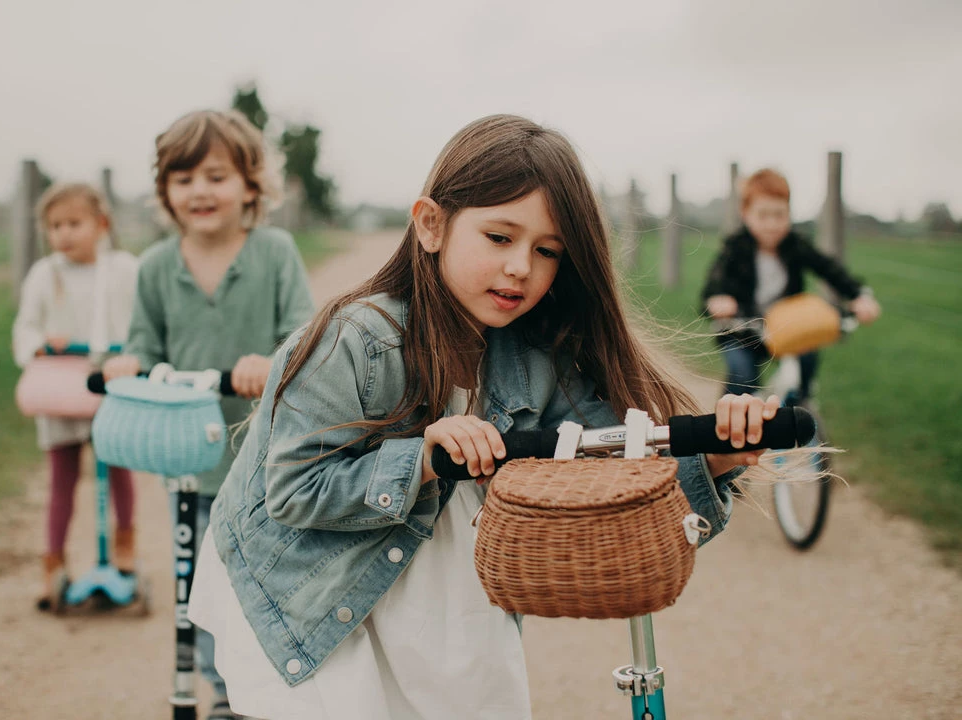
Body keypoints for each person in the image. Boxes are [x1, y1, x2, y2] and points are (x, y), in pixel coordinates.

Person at [187, 114, 777, 720]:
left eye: (547, 251)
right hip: (313, 595)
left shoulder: (541, 355)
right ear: (431, 225)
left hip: (445, 608)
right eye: (500, 238)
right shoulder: (357, 340)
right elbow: (293, 490)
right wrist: (418, 457)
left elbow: (611, 472)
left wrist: (714, 458)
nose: (522, 266)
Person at [102, 109, 315, 719]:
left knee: (264, 580)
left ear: (250, 185)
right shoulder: (154, 267)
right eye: (184, 177)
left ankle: (269, 687)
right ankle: (223, 694)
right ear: (165, 190)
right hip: (190, 463)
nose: (200, 190)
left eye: (216, 176)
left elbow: (303, 339)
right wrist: (128, 363)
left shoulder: (274, 253)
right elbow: (144, 345)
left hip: (264, 462)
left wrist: (269, 362)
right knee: (196, 586)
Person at [12, 182, 140, 611]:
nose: (64, 233)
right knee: (61, 478)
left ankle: (125, 544)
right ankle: (53, 562)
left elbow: (141, 319)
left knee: (118, 466)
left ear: (101, 225)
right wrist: (43, 341)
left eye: (74, 223)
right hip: (61, 386)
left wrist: (131, 348)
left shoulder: (123, 269)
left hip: (110, 381)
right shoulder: (44, 274)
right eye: (55, 226)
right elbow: (25, 328)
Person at [702, 168, 881, 399]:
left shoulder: (795, 245)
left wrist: (859, 295)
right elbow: (715, 282)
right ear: (745, 214)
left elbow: (828, 269)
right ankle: (724, 427)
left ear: (789, 213)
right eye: (763, 215)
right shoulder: (735, 247)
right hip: (742, 329)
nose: (772, 224)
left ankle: (803, 404)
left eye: (779, 215)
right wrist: (718, 298)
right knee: (742, 376)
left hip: (786, 327)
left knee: (805, 359)